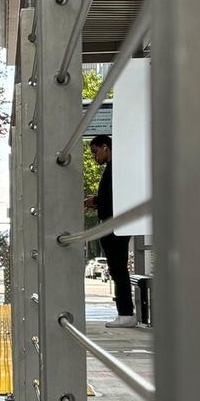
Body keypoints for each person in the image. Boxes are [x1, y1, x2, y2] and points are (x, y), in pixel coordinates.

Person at [86, 135, 140, 329]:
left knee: (118, 270)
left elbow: (113, 197)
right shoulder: (116, 168)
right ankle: (125, 313)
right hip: (116, 225)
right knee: (117, 270)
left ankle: (125, 313)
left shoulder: (115, 169)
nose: (95, 157)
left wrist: (95, 201)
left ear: (106, 147)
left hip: (114, 226)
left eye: (95, 152)